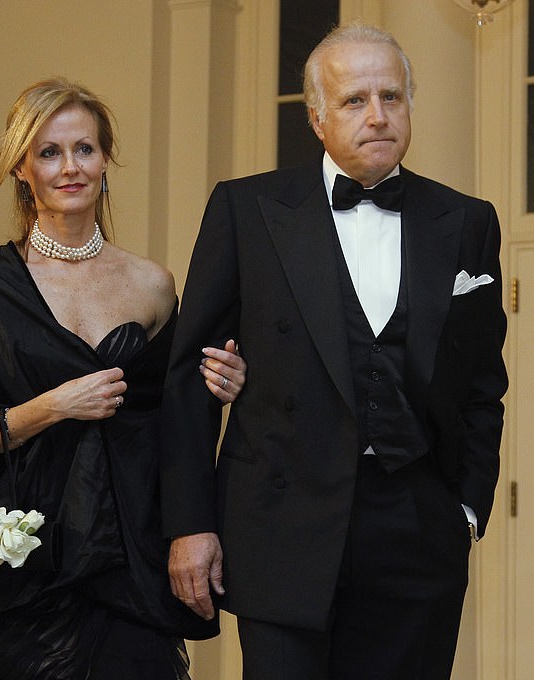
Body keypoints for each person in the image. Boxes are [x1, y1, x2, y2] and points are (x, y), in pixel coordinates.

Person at [160, 23, 508, 680]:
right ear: (317, 118)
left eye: (392, 97)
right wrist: (189, 523)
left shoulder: (466, 222)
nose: (378, 116)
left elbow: (482, 387)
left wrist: (463, 510)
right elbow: (188, 380)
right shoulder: (247, 208)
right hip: (279, 524)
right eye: (354, 100)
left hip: (415, 532)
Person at [0, 77, 247, 680]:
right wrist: (53, 406)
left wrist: (226, 379)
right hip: (26, 569)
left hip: (130, 559)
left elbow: (175, 418)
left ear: (104, 160)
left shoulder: (153, 285)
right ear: (22, 168)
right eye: (49, 152)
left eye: (84, 149)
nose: (70, 167)